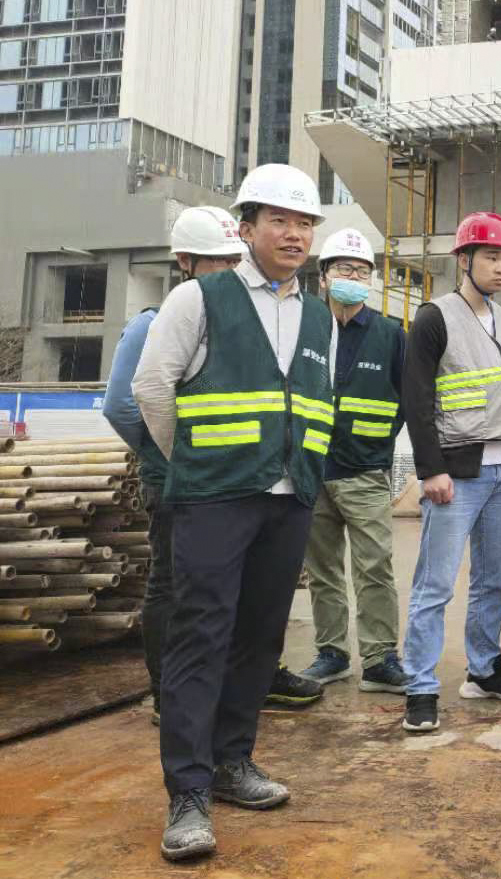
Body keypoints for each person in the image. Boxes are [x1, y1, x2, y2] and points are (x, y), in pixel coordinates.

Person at [132, 164, 337, 861]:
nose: (294, 234)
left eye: (304, 223)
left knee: (259, 637)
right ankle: (187, 791)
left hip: (287, 499)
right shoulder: (200, 297)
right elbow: (151, 388)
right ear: (246, 228)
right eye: (279, 220)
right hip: (213, 499)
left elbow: (317, 399)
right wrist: (194, 462)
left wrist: (300, 475)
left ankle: (231, 761)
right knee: (201, 636)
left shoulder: (318, 314)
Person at [400, 211, 501, 734]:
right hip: (458, 474)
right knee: (435, 583)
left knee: (495, 581)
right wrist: (431, 469)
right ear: (464, 259)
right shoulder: (434, 318)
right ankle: (420, 686)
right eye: (491, 257)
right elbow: (416, 399)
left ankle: (484, 670)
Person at [103, 207, 244, 726]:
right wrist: (171, 456)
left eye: (235, 261)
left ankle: (226, 682)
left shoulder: (233, 325)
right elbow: (123, 406)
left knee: (222, 586)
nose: (229, 271)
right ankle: (168, 694)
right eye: (217, 261)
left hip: (228, 478)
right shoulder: (153, 324)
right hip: (175, 479)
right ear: (185, 262)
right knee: (171, 584)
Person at [296, 228, 409, 693]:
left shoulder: (390, 335)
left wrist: (375, 445)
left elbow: (407, 401)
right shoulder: (305, 326)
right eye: (345, 269)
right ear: (323, 277)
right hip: (311, 470)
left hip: (364, 472)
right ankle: (332, 653)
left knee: (374, 567)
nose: (354, 278)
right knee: (322, 570)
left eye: (362, 272)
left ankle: (380, 657)